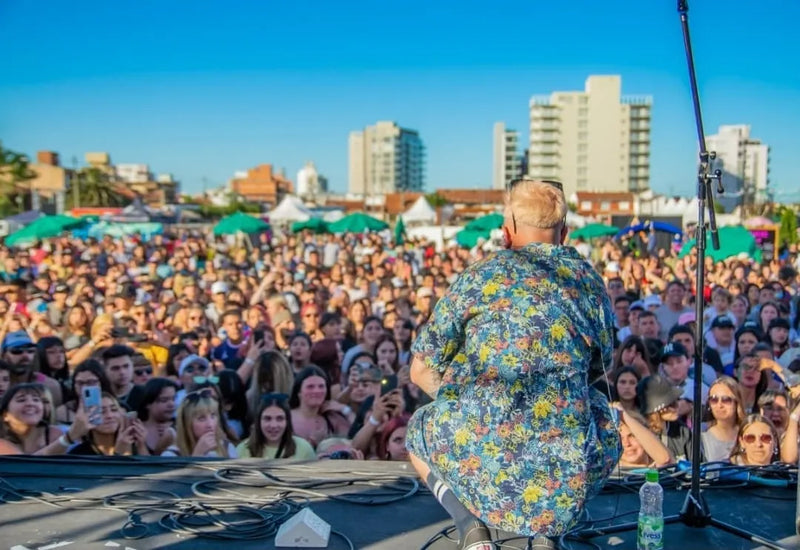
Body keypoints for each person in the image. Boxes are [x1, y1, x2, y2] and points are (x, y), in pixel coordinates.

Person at [406, 178, 620, 550]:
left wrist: (464, 402)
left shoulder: (478, 277)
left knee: (418, 428)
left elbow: (419, 370)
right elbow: (602, 368)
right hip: (564, 466)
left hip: (480, 454)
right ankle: (546, 532)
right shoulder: (588, 281)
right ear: (564, 233)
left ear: (507, 232)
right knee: (604, 414)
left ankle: (470, 526)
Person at [236, 394, 315, 460]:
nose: (273, 425)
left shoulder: (304, 449)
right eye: (267, 418)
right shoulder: (242, 450)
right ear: (259, 421)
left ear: (287, 421)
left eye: (279, 419)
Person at [701, 376, 746, 462]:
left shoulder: (748, 433)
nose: (720, 405)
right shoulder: (701, 434)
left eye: (726, 400)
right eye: (714, 400)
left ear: (737, 402)